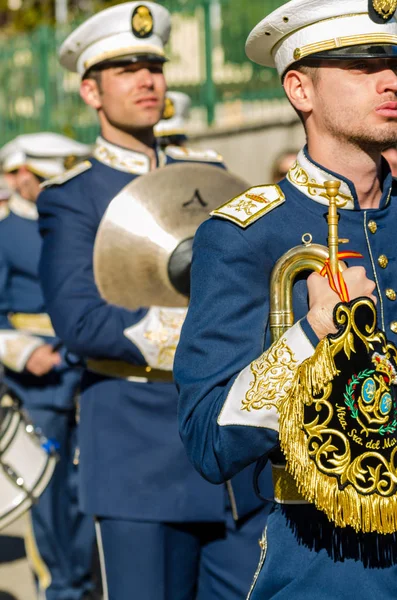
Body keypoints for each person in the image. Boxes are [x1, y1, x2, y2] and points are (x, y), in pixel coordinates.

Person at [37, 3, 271, 599]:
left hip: (232, 462)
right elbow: (83, 322)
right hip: (139, 466)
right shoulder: (73, 196)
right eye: (125, 69)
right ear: (90, 90)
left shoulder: (210, 175)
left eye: (154, 65)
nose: (147, 80)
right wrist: (209, 336)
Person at [174, 0, 397, 597]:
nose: (391, 79)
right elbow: (209, 440)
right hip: (332, 561)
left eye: (394, 61)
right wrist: (311, 335)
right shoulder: (242, 235)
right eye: (360, 65)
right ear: (300, 88)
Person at [0, 132, 96, 600]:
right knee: (49, 497)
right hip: (38, 385)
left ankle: (86, 579)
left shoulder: (78, 227)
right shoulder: (5, 233)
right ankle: (60, 587)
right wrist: (22, 352)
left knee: (88, 490)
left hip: (87, 373)